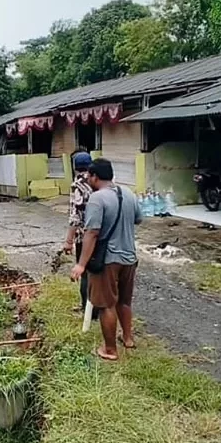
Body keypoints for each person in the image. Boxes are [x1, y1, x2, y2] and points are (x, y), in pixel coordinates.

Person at [70, 158, 142, 361]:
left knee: (106, 305)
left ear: (94, 176)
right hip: (129, 257)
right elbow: (139, 218)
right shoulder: (128, 193)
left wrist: (81, 264)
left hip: (108, 260)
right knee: (125, 302)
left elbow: (92, 233)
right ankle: (128, 339)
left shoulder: (97, 199)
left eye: (89, 177)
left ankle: (110, 349)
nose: (88, 180)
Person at [63, 152, 97, 316]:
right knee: (97, 272)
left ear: (75, 167)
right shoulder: (96, 181)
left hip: (84, 236)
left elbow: (75, 216)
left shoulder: (77, 185)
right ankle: (97, 308)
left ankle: (87, 309)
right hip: (99, 234)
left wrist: (69, 240)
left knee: (84, 272)